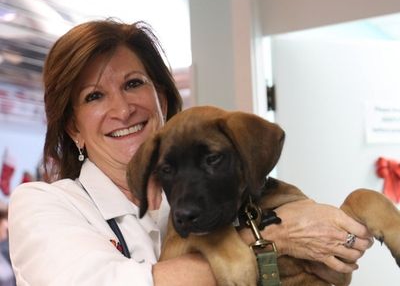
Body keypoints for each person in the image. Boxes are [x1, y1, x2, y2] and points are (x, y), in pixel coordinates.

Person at [8, 19, 373, 286]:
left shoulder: (218, 190)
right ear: (74, 128)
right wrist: (274, 238)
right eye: (94, 96)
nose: (122, 110)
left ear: (161, 98)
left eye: (133, 84)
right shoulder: (42, 204)